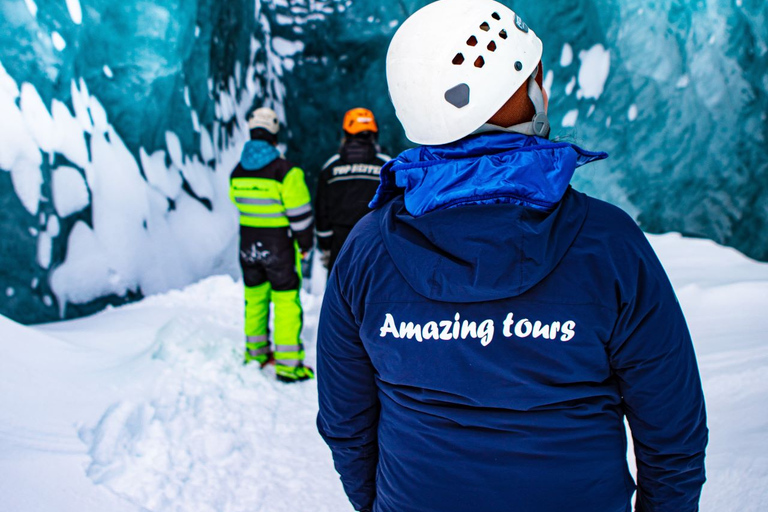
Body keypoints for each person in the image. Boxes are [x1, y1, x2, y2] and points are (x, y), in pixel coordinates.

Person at [316, 1, 707, 511]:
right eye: (535, 76)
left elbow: (345, 422)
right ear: (519, 93)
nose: (544, 88)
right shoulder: (609, 243)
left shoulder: (366, 251)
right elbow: (672, 432)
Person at [230, 107, 315, 383]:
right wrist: (305, 244)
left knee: (254, 300)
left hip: (248, 246)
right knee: (286, 303)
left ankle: (255, 354)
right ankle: (289, 366)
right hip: (278, 247)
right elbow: (300, 216)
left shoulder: (237, 172)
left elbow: (239, 204)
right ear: (274, 136)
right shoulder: (286, 172)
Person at [314, 108, 391, 272]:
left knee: (339, 291)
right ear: (374, 133)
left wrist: (325, 243)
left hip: (340, 242)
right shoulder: (386, 165)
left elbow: (321, 210)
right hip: (376, 239)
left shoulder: (331, 166)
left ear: (346, 133)